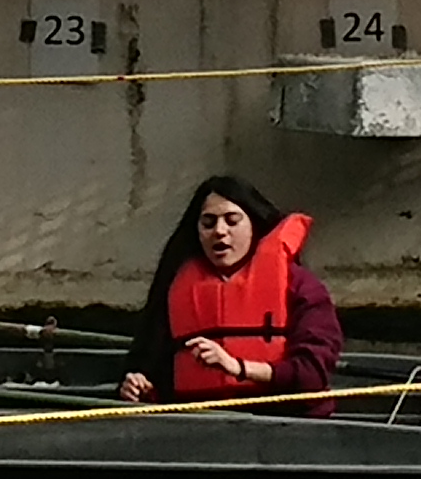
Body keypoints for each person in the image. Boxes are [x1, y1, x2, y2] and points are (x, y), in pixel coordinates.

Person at [118, 173, 340, 407]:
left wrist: (237, 367)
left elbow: (312, 374)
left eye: (232, 221)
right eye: (208, 223)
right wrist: (141, 387)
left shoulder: (301, 286)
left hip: (284, 421)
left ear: (254, 224)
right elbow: (153, 368)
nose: (220, 231)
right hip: (198, 426)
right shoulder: (174, 287)